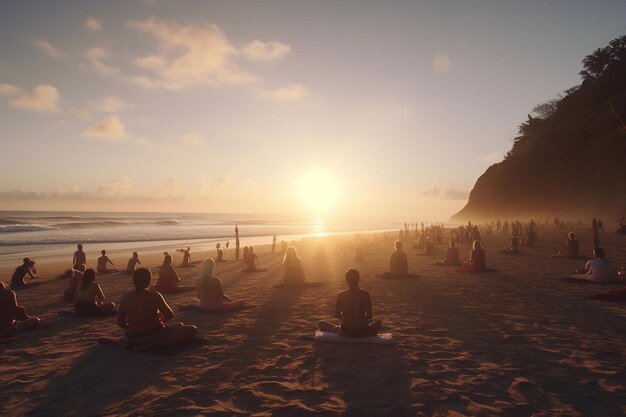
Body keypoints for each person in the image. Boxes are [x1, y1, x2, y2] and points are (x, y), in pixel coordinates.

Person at [117, 268, 197, 350]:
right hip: (153, 335)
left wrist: (133, 329)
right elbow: (169, 315)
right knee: (192, 329)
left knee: (179, 324)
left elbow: (120, 322)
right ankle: (151, 345)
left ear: (134, 281)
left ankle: (143, 342)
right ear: (148, 281)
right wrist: (157, 323)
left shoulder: (126, 297)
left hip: (131, 337)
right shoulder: (154, 296)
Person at [318, 269, 382, 338]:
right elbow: (370, 316)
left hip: (346, 332)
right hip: (363, 331)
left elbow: (337, 315)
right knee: (378, 322)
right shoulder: (365, 294)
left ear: (347, 280)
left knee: (321, 323)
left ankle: (336, 329)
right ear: (358, 279)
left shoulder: (340, 295)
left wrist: (347, 317)